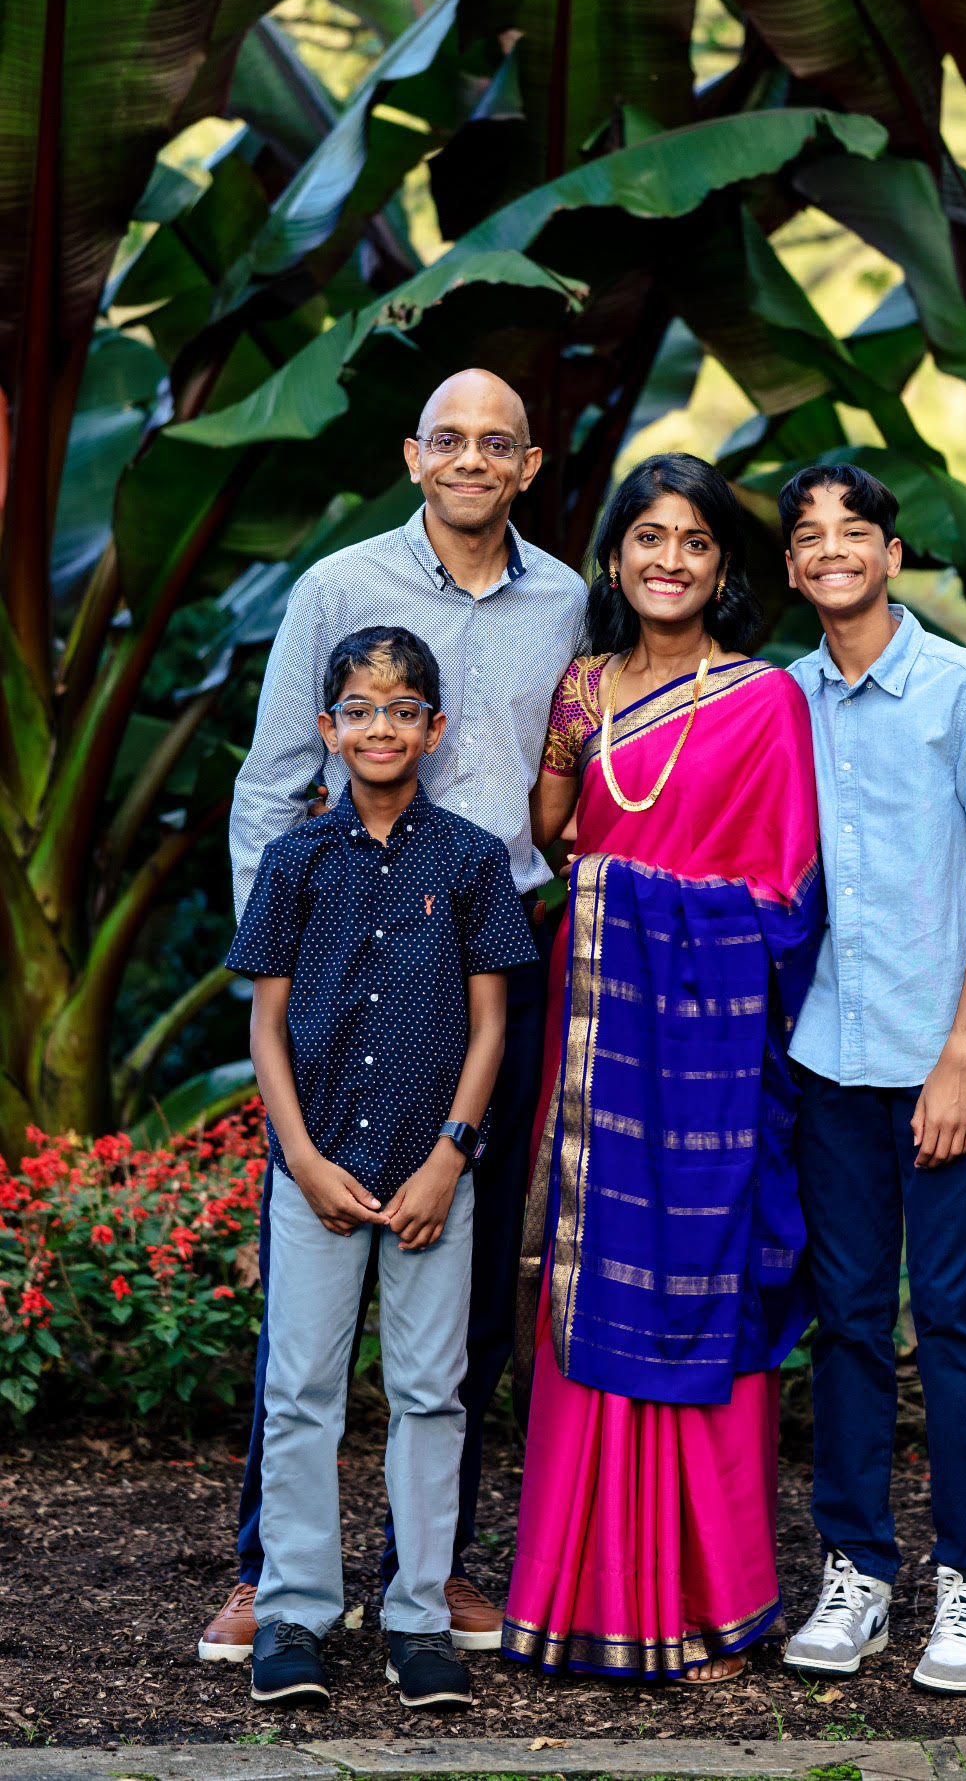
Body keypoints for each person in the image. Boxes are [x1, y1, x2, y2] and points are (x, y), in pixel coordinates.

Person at [200, 370, 586, 1664]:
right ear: (414, 455)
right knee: (308, 1278)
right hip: (337, 963)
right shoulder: (337, 589)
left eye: (498, 444)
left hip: (493, 965)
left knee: (463, 1278)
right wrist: (284, 966)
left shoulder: (564, 599)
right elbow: (267, 787)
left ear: (527, 466)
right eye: (450, 439)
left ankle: (433, 1571)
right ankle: (272, 1571)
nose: (472, 460)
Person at [502, 453, 824, 1686]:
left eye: (694, 540)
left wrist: (619, 885)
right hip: (599, 1043)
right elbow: (553, 830)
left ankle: (715, 1595)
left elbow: (787, 894)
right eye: (648, 536)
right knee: (591, 1283)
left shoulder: (762, 702)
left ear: (726, 568)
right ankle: (583, 1596)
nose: (669, 559)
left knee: (704, 1285)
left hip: (704, 1056)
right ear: (618, 556)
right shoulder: (583, 687)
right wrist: (566, 779)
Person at [232, 625, 537, 1710]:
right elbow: (267, 1027)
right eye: (357, 708)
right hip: (316, 1175)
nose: (379, 726)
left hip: (427, 1182)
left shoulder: (468, 858)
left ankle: (416, 1618)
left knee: (428, 1392)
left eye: (402, 709)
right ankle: (297, 1612)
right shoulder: (294, 860)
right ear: (327, 727)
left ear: (433, 728)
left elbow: (492, 1027)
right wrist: (301, 1158)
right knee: (302, 1390)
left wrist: (451, 1159)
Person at [778, 465, 966, 1696]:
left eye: (855, 532)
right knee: (845, 1322)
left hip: (947, 1055)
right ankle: (859, 1572)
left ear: (890, 553)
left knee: (950, 1315)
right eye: (810, 537)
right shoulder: (783, 700)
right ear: (790, 568)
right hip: (831, 1049)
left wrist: (960, 1059)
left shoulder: (961, 687)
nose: (833, 550)